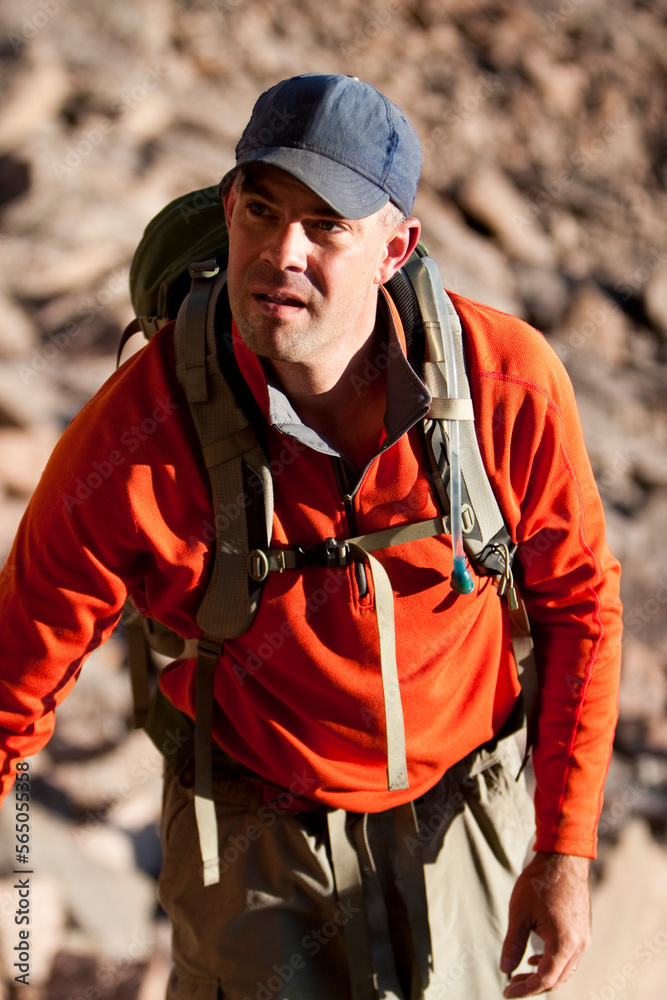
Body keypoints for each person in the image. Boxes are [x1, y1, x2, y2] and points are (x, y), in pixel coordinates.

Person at [0, 74, 622, 1000]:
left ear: (393, 248)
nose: (281, 252)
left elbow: (581, 608)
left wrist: (563, 847)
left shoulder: (505, 385)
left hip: (461, 810)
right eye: (261, 210)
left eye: (326, 226)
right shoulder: (139, 432)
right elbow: (16, 668)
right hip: (249, 822)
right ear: (228, 210)